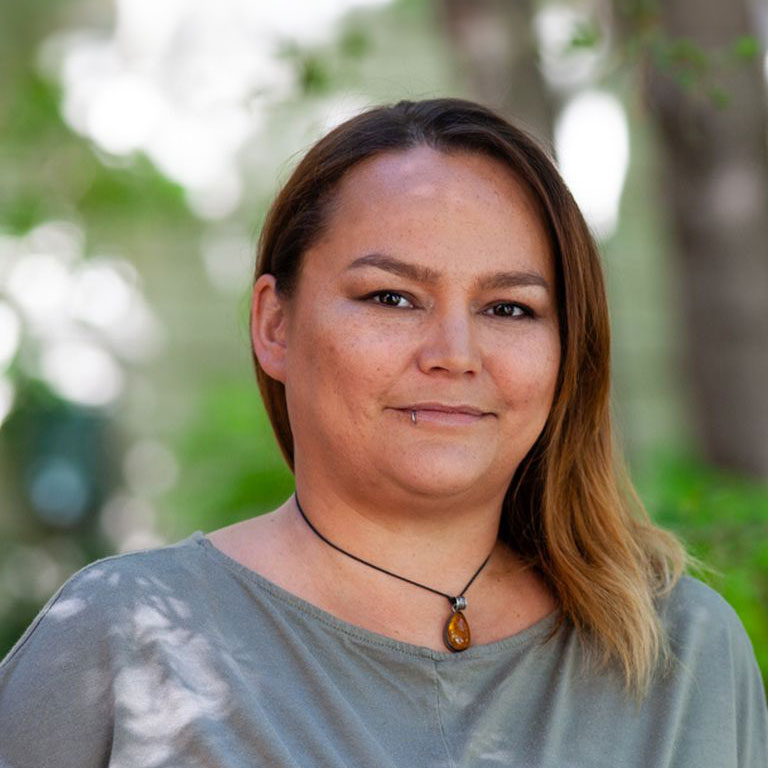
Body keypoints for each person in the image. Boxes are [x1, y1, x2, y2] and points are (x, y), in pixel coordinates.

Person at [0, 97, 766, 767]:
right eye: (392, 298)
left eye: (509, 309)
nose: (454, 355)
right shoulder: (121, 638)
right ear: (274, 324)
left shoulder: (683, 656)